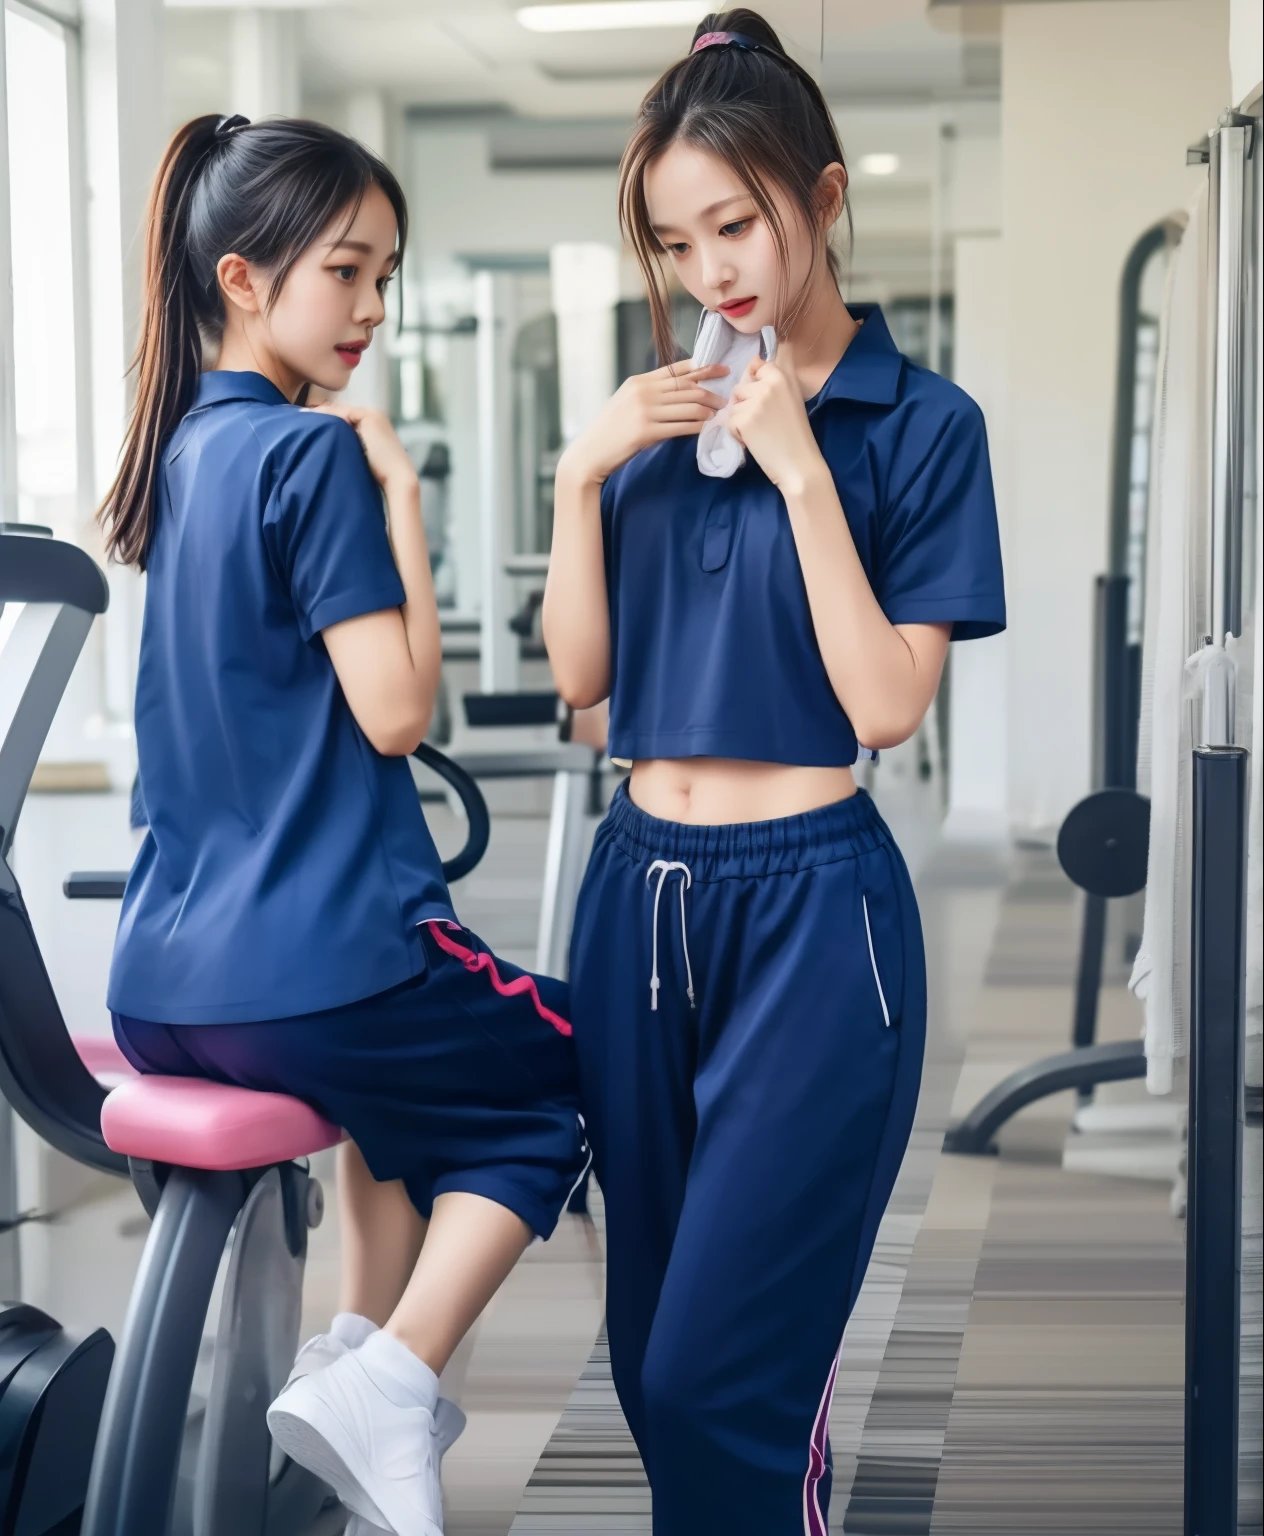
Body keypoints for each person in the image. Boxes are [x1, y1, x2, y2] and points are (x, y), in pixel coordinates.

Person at [543, 12, 1005, 1533]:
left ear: (819, 196)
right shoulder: (656, 423)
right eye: (678, 244)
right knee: (646, 1365)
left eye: (736, 223)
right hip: (639, 903)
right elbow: (584, 681)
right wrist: (579, 474)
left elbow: (884, 706)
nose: (712, 271)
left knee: (718, 1381)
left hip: (816, 919)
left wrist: (804, 466)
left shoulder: (925, 428)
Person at [100, 113, 587, 1536]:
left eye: (387, 277)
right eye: (349, 275)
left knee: (403, 1108)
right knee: (579, 1072)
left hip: (166, 986)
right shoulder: (313, 462)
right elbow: (393, 709)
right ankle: (389, 1379)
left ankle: (348, 1386)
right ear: (245, 281)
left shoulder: (185, 455)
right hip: (319, 967)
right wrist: (403, 505)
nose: (375, 310)